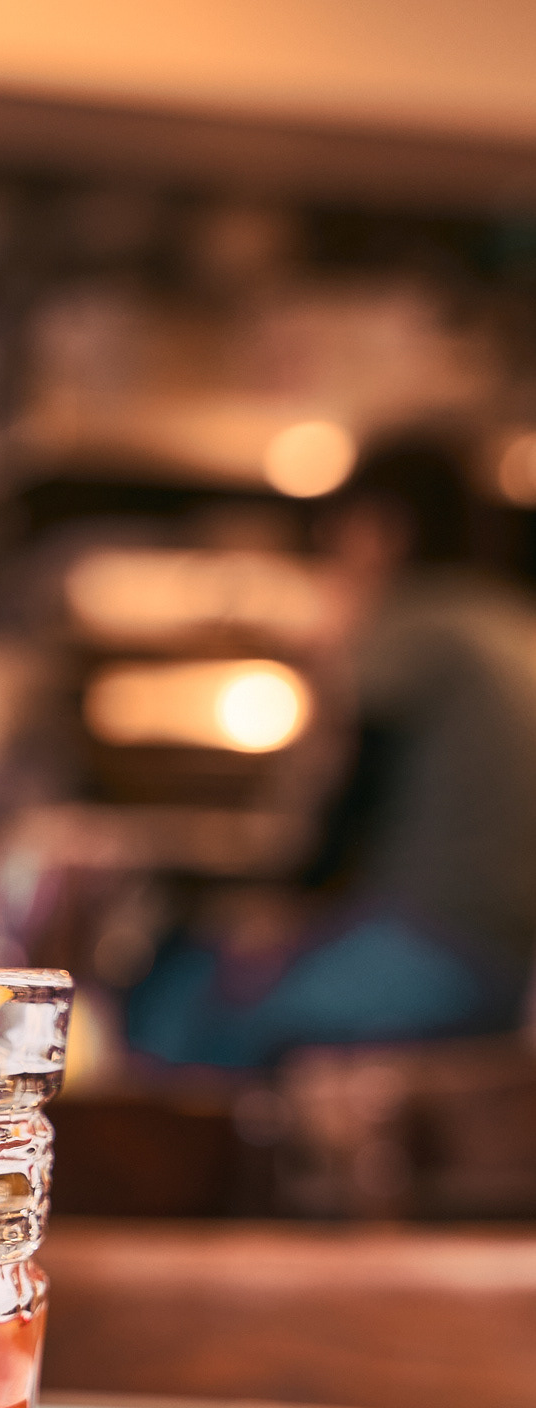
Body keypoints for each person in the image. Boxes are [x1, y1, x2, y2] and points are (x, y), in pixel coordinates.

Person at [128, 437, 536, 1068]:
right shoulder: (510, 621)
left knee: (190, 1005)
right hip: (510, 966)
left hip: (430, 948)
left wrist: (281, 912)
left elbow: (354, 798)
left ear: (383, 529)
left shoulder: (418, 622)